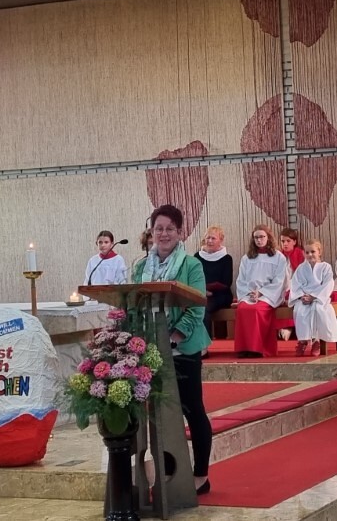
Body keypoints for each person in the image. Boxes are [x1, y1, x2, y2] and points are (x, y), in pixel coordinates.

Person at [131, 204, 212, 495]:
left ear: (179, 232)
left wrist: (173, 338)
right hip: (150, 351)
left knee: (193, 410)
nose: (163, 234)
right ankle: (167, 471)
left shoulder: (192, 265)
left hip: (183, 349)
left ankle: (201, 475)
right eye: (158, 229)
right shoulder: (140, 268)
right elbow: (132, 304)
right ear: (151, 232)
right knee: (160, 416)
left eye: (169, 229)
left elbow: (197, 307)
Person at [234, 224, 290, 358]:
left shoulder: (278, 257)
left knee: (256, 310)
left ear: (268, 237)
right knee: (242, 309)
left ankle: (257, 348)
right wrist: (249, 293)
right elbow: (241, 280)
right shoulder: (247, 258)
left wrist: (261, 293)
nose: (259, 240)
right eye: (256, 237)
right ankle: (244, 348)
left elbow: (279, 280)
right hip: (249, 294)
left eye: (262, 237)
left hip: (269, 295)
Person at [289, 239, 337, 357]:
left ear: (319, 252)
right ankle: (303, 340)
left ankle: (316, 341)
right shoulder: (301, 268)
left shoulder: (325, 267)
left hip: (319, 297)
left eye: (313, 252)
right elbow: (295, 284)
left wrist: (314, 296)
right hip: (304, 298)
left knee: (318, 310)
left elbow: (328, 284)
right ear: (303, 253)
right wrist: (301, 296)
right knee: (300, 311)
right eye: (307, 252)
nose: (310, 254)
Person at [194, 225, 234, 342]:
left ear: (220, 240)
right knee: (192, 307)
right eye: (208, 238)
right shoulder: (197, 257)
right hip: (201, 293)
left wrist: (208, 291)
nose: (210, 241)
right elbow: (194, 278)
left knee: (203, 308)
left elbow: (226, 282)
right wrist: (203, 291)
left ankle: (205, 344)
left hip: (221, 296)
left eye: (213, 238)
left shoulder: (226, 258)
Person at [274, 228, 306, 340]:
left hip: (297, 287)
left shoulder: (300, 254)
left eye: (288, 241)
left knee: (291, 299)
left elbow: (302, 275)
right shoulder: (278, 256)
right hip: (283, 287)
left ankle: (288, 327)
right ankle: (279, 328)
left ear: (294, 242)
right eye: (283, 241)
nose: (285, 244)